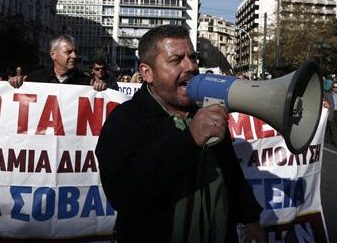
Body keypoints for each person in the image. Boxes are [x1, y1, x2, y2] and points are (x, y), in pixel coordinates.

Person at [96, 25, 265, 243]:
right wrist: (189, 140)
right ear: (147, 73)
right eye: (176, 60)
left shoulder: (205, 111)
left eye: (192, 58)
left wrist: (250, 219)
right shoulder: (125, 120)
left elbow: (230, 170)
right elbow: (124, 193)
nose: (191, 67)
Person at [9, 35, 106, 91]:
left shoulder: (87, 83)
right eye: (68, 52)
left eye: (76, 52)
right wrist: (15, 83)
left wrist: (100, 89)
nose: (74, 56)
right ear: (53, 55)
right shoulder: (35, 78)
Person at [324, 81, 337, 148]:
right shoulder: (327, 94)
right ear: (332, 87)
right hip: (331, 112)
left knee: (334, 126)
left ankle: (327, 138)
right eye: (334, 87)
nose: (335, 88)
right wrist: (325, 103)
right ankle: (336, 142)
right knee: (333, 128)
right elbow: (323, 101)